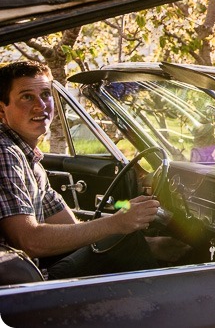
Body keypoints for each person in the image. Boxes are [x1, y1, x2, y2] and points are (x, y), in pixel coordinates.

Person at [0, 60, 160, 280]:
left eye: (46, 95)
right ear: (2, 109)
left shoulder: (29, 159)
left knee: (132, 242)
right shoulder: (5, 152)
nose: (40, 105)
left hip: (26, 276)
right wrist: (118, 223)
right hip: (23, 288)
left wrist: (144, 239)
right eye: (27, 97)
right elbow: (29, 241)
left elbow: (70, 227)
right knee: (131, 246)